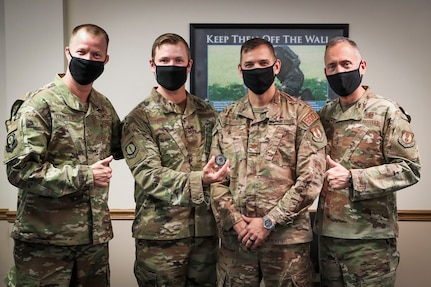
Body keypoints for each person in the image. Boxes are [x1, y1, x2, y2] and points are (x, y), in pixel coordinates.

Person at [3, 24, 123, 287]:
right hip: (45, 243)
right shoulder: (39, 105)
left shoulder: (103, 107)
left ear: (106, 59)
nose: (88, 59)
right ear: (68, 52)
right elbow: (20, 171)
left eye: (96, 54)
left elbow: (124, 144)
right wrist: (86, 175)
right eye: (81, 52)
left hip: (93, 243)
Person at [210, 37, 327, 287]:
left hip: (287, 244)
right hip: (236, 244)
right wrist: (236, 222)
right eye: (249, 65)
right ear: (240, 71)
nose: (256, 70)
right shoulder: (226, 118)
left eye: (263, 63)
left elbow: (311, 180)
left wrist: (268, 222)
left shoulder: (301, 115)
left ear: (276, 67)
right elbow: (215, 179)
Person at [121, 33, 229, 287]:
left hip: (205, 236)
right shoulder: (139, 118)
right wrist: (199, 179)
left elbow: (223, 163)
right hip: (160, 240)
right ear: (152, 65)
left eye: (178, 60)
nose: (172, 66)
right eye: (164, 60)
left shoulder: (207, 113)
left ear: (189, 65)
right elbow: (149, 175)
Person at [314, 36, 421, 287]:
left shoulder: (387, 112)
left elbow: (410, 169)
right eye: (332, 67)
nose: (339, 71)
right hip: (328, 237)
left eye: (346, 64)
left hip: (370, 241)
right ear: (326, 72)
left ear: (362, 66)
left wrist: (353, 178)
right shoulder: (325, 115)